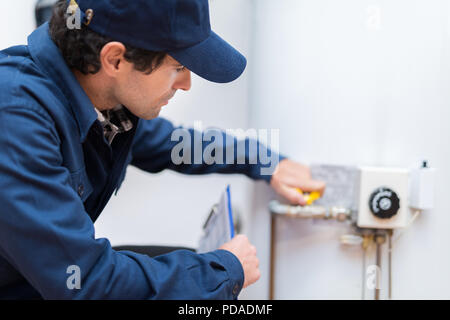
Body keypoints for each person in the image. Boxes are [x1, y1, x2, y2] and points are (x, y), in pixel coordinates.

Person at [0, 0, 325, 299]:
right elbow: (87, 281)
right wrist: (223, 271)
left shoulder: (96, 93)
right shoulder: (16, 118)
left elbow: (167, 143)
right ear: (114, 59)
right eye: (178, 66)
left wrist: (264, 162)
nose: (186, 83)